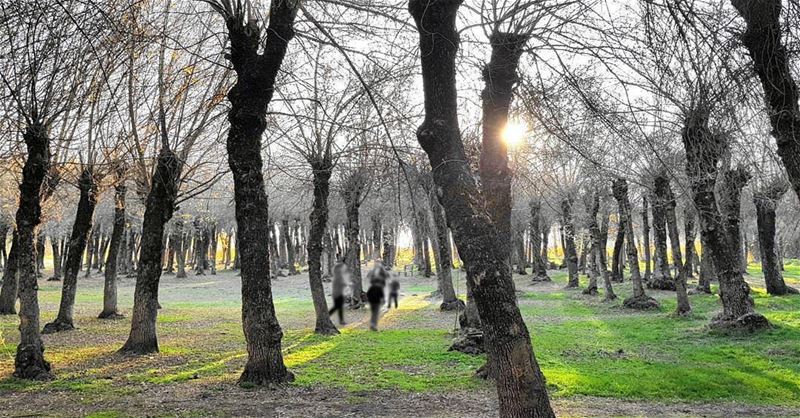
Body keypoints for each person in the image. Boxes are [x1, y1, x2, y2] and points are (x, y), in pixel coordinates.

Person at [366, 264, 387, 330]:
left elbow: (368, 294)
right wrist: (383, 300)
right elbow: (382, 294)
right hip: (377, 301)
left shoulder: (371, 287)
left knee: (373, 313)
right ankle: (373, 325)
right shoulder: (380, 287)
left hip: (372, 301)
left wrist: (368, 300)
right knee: (375, 313)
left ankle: (372, 324)